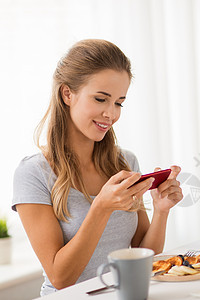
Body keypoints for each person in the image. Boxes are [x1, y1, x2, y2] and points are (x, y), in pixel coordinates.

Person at [11, 39, 183, 296]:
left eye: (119, 103)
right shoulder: (34, 173)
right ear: (67, 94)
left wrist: (161, 211)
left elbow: (144, 256)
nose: (111, 114)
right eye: (101, 99)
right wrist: (100, 207)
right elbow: (61, 278)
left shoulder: (124, 163)